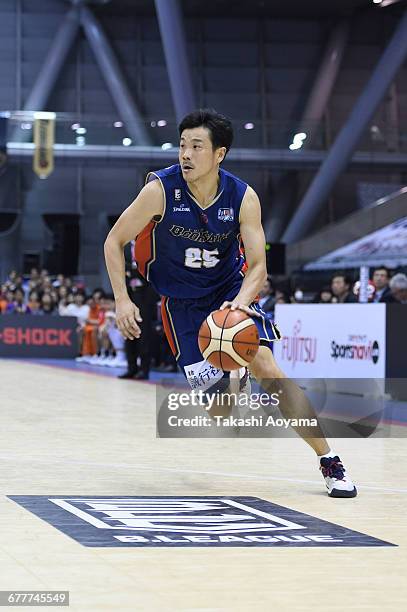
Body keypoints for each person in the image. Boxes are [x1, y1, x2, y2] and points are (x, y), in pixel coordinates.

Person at [104, 108, 356, 498]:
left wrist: (237, 306)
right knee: (220, 412)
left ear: (219, 154)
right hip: (181, 304)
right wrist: (122, 299)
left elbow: (258, 267)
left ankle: (329, 460)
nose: (185, 154)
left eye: (196, 146)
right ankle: (235, 376)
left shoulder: (242, 197)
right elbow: (113, 241)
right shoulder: (159, 190)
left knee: (270, 370)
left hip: (228, 290)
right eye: (182, 145)